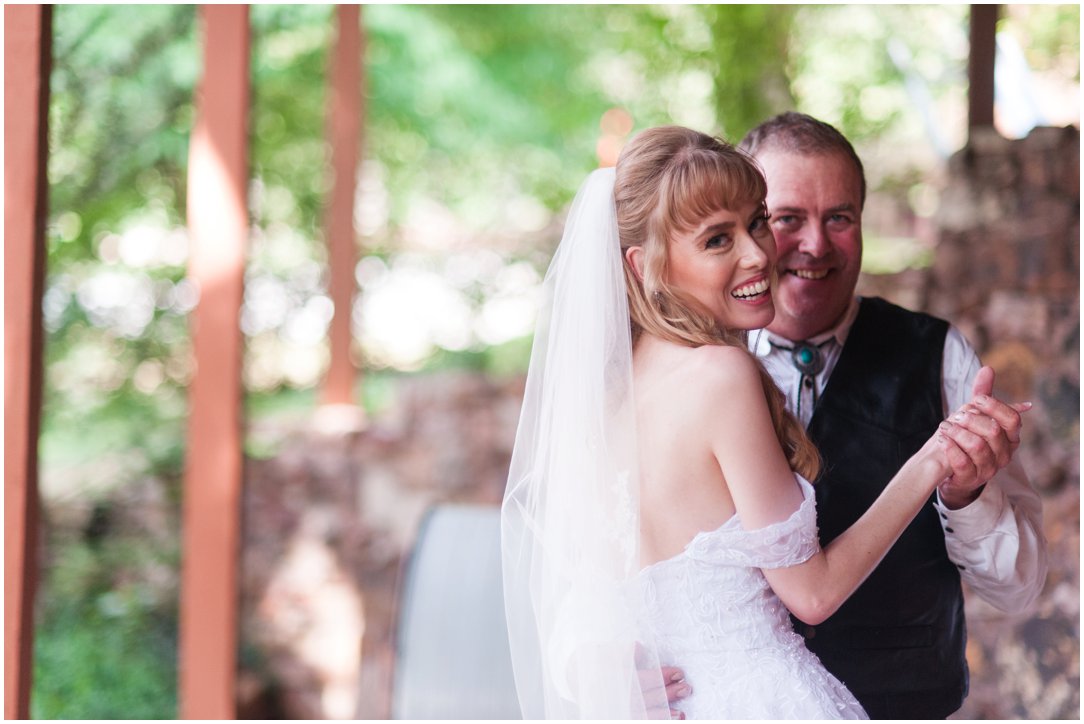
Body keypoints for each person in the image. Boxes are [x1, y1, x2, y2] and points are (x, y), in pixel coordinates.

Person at [500, 126, 1027, 719]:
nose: (760, 254)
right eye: (720, 238)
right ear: (643, 264)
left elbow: (1018, 584)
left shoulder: (611, 390)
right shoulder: (723, 373)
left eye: (754, 223)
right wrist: (590, 665)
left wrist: (967, 491)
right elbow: (811, 593)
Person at [726, 111, 1048, 718]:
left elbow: (1020, 586)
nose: (816, 245)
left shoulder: (940, 355)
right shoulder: (695, 364)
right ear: (749, 228)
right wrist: (615, 648)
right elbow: (618, 546)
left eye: (839, 218)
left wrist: (968, 496)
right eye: (787, 218)